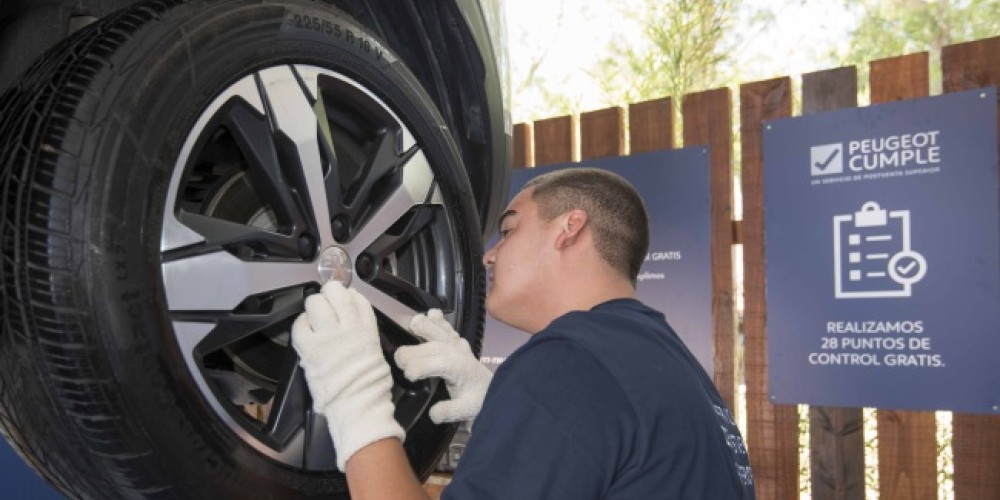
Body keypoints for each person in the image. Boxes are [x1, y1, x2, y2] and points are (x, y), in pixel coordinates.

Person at [292, 167, 755, 499]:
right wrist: (502, 405)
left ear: (569, 229)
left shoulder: (572, 363)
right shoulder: (664, 362)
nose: (489, 256)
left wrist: (355, 394)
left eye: (508, 231)